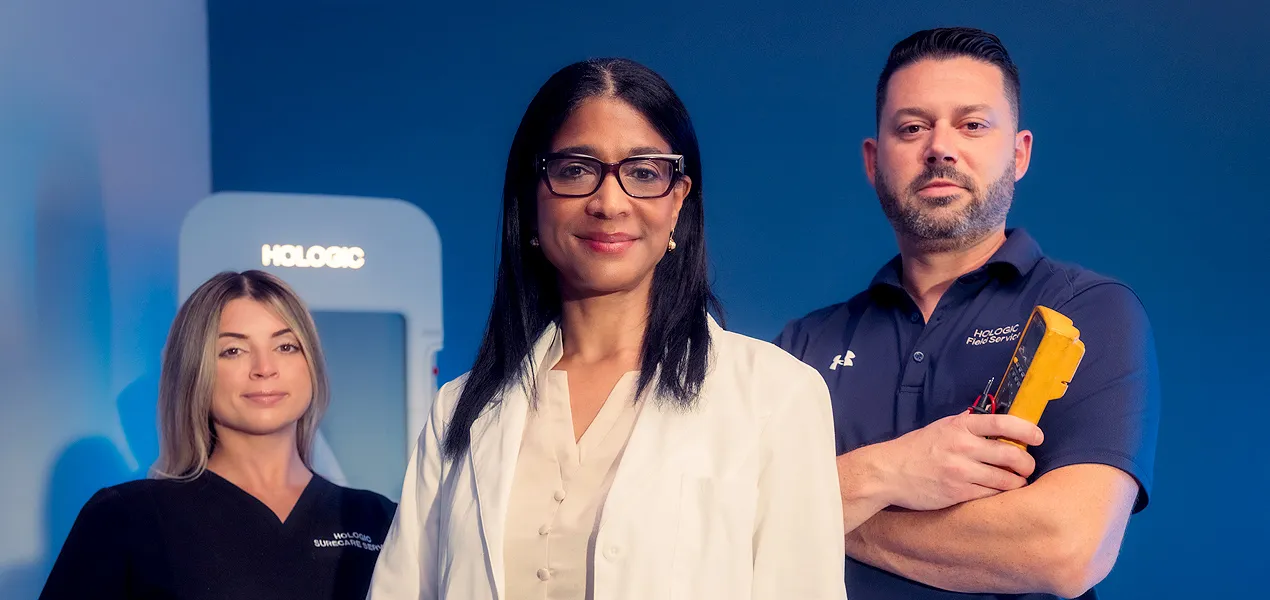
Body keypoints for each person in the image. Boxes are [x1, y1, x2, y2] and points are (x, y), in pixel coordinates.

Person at [367, 57, 846, 600]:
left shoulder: (776, 394)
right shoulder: (460, 408)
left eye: (643, 173)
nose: (609, 203)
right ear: (531, 198)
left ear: (678, 201)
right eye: (575, 170)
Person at [775, 27, 1161, 600]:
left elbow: (1064, 550)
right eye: (912, 127)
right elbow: (723, 523)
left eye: (973, 124)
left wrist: (817, 507)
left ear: (1020, 152)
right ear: (874, 162)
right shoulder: (801, 345)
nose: (940, 148)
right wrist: (895, 469)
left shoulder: (1089, 310)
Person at [40, 270, 396, 599]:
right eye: (233, 350)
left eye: (285, 346)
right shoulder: (126, 517)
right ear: (195, 372)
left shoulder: (379, 519)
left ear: (311, 363)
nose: (264, 368)